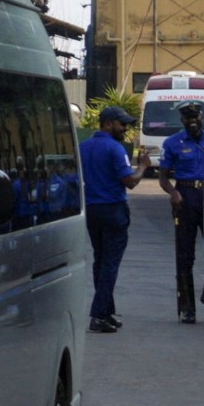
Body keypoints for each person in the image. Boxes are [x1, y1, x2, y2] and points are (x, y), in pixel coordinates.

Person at [80, 105, 149, 333]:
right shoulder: (115, 148)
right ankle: (99, 314)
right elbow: (130, 181)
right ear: (108, 124)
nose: (125, 128)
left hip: (92, 210)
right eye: (122, 124)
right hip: (113, 210)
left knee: (100, 261)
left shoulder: (83, 147)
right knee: (110, 263)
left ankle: (106, 311)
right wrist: (142, 167)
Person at [156, 100, 204, 322]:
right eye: (188, 118)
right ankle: (187, 307)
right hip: (185, 198)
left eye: (195, 117)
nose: (192, 121)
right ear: (182, 120)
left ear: (201, 117)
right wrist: (173, 193)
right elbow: (163, 177)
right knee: (185, 256)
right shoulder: (172, 143)